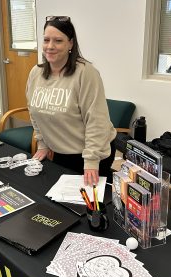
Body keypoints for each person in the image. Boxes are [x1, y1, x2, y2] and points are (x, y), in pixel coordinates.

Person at [26, 16, 116, 185]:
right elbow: (33, 111)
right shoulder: (35, 73)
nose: (50, 46)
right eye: (46, 40)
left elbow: (97, 120)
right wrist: (42, 142)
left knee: (87, 207)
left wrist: (90, 161)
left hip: (91, 155)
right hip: (61, 152)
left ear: (70, 44)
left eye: (58, 40)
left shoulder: (86, 73)